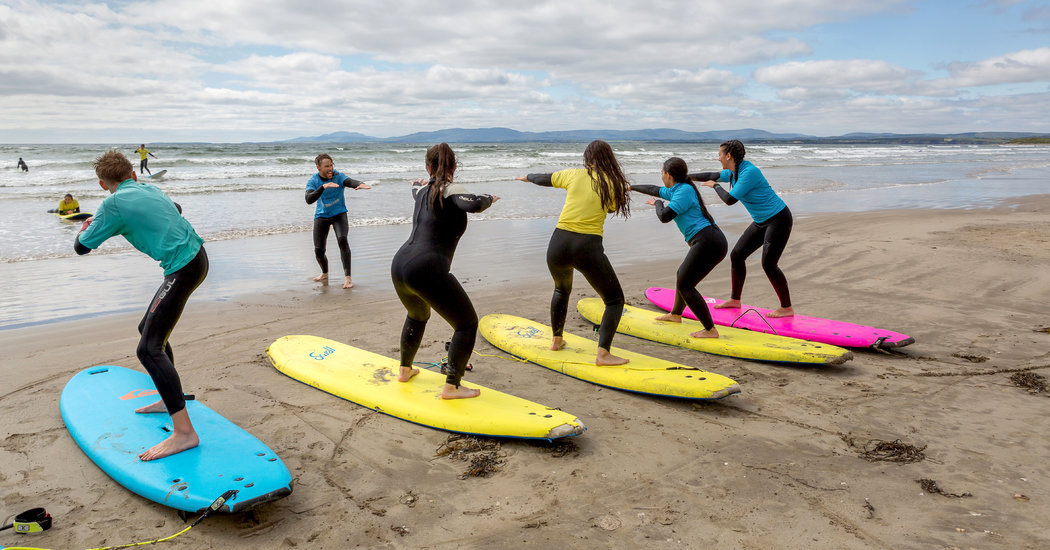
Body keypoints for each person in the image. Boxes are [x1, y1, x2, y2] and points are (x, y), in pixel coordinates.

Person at [74, 150, 208, 461]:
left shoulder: (112, 205)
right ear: (133, 175)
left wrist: (89, 227)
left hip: (184, 267)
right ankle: (167, 400)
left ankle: (185, 433)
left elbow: (82, 248)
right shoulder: (148, 187)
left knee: (147, 349)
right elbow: (175, 207)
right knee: (148, 333)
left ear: (102, 184)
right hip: (196, 258)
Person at [391, 143, 497, 399]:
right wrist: (488, 199)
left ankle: (405, 370)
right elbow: (471, 204)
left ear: (428, 167)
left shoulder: (423, 191)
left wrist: (415, 184)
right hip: (426, 267)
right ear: (454, 167)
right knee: (466, 324)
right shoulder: (452, 189)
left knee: (417, 315)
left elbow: (415, 188)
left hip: (400, 264)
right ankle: (452, 386)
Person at [515, 139, 631, 365]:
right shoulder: (612, 183)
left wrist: (527, 177)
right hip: (587, 247)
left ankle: (556, 340)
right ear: (609, 160)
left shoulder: (573, 175)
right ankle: (603, 354)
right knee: (614, 300)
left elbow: (545, 178)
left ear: (587, 160)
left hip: (558, 244)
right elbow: (612, 208)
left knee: (561, 289)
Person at [689, 139, 794, 318]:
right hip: (761, 221)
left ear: (728, 156)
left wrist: (715, 186)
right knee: (737, 255)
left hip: (778, 219)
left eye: (720, 155)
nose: (718, 158)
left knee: (769, 263)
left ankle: (786, 308)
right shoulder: (733, 172)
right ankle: (735, 300)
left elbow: (730, 200)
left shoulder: (749, 172)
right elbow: (712, 174)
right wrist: (686, 177)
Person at [630, 157, 727, 337]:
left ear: (668, 175)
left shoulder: (683, 192)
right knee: (683, 277)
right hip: (708, 240)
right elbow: (653, 189)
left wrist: (658, 204)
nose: (661, 176)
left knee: (686, 284)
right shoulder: (678, 189)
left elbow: (664, 216)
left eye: (661, 173)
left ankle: (710, 329)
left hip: (708, 241)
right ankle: (675, 314)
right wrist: (630, 187)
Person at [305, 153, 372, 289]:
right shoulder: (313, 181)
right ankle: (324, 273)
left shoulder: (338, 176)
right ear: (318, 168)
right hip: (321, 216)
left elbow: (349, 181)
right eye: (326, 166)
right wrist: (323, 187)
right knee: (319, 250)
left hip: (339, 214)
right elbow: (309, 199)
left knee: (342, 239)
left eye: (331, 165)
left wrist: (360, 184)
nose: (330, 169)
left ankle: (348, 278)